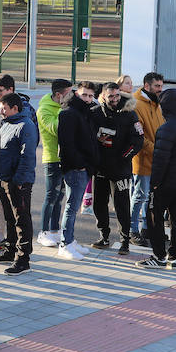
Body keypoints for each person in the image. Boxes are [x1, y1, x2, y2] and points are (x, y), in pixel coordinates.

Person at [138, 89, 176, 269]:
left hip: (165, 183)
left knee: (154, 216)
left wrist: (154, 184)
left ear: (166, 107)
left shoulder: (166, 129)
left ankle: (159, 256)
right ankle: (174, 256)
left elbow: (160, 161)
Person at [92, 81, 143, 255]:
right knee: (99, 204)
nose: (114, 99)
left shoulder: (129, 114)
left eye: (117, 95)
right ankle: (104, 236)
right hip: (100, 168)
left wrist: (123, 158)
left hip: (121, 169)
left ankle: (124, 241)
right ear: (103, 97)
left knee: (122, 205)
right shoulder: (95, 113)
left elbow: (138, 141)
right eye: (110, 96)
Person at [0, 74, 37, 250]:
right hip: (4, 179)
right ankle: (10, 250)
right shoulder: (7, 122)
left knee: (21, 219)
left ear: (15, 108)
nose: (0, 111)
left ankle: (22, 257)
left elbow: (27, 155)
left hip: (17, 182)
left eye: (4, 108)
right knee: (9, 217)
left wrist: (18, 181)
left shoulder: (26, 124)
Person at [56, 81, 99, 260]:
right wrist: (79, 164)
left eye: (90, 96)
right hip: (75, 168)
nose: (88, 99)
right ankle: (65, 243)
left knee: (73, 207)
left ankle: (70, 240)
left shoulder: (85, 112)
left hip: (84, 167)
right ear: (76, 94)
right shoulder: (69, 113)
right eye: (84, 95)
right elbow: (66, 144)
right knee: (71, 207)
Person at [35, 79, 72, 247]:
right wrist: (66, 112)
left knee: (60, 197)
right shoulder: (44, 109)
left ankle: (54, 230)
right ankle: (43, 232)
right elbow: (55, 128)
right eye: (69, 93)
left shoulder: (63, 107)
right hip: (52, 160)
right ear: (59, 95)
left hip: (65, 158)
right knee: (51, 196)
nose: (72, 96)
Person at [130, 73, 165, 244]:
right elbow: (139, 137)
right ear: (146, 85)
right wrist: (157, 149)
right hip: (142, 160)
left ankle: (147, 228)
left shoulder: (155, 103)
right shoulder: (136, 104)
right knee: (139, 197)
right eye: (157, 86)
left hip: (156, 158)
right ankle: (132, 230)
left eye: (161, 86)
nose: (160, 89)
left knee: (149, 197)